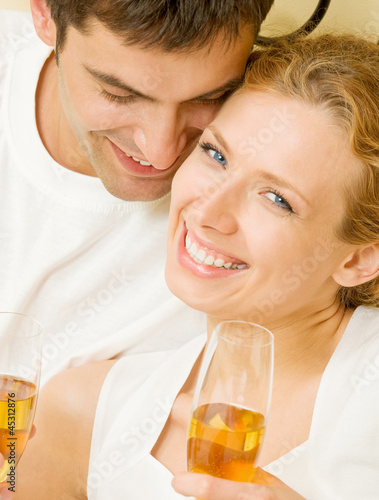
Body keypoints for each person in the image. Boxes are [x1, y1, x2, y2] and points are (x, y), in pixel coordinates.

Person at [14, 32, 379, 499]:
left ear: (360, 258)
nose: (206, 212)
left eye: (276, 199)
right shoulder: (85, 414)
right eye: (216, 155)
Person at [0, 0, 274, 385]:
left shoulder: (279, 162)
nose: (161, 154)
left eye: (208, 98)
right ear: (45, 13)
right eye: (119, 94)